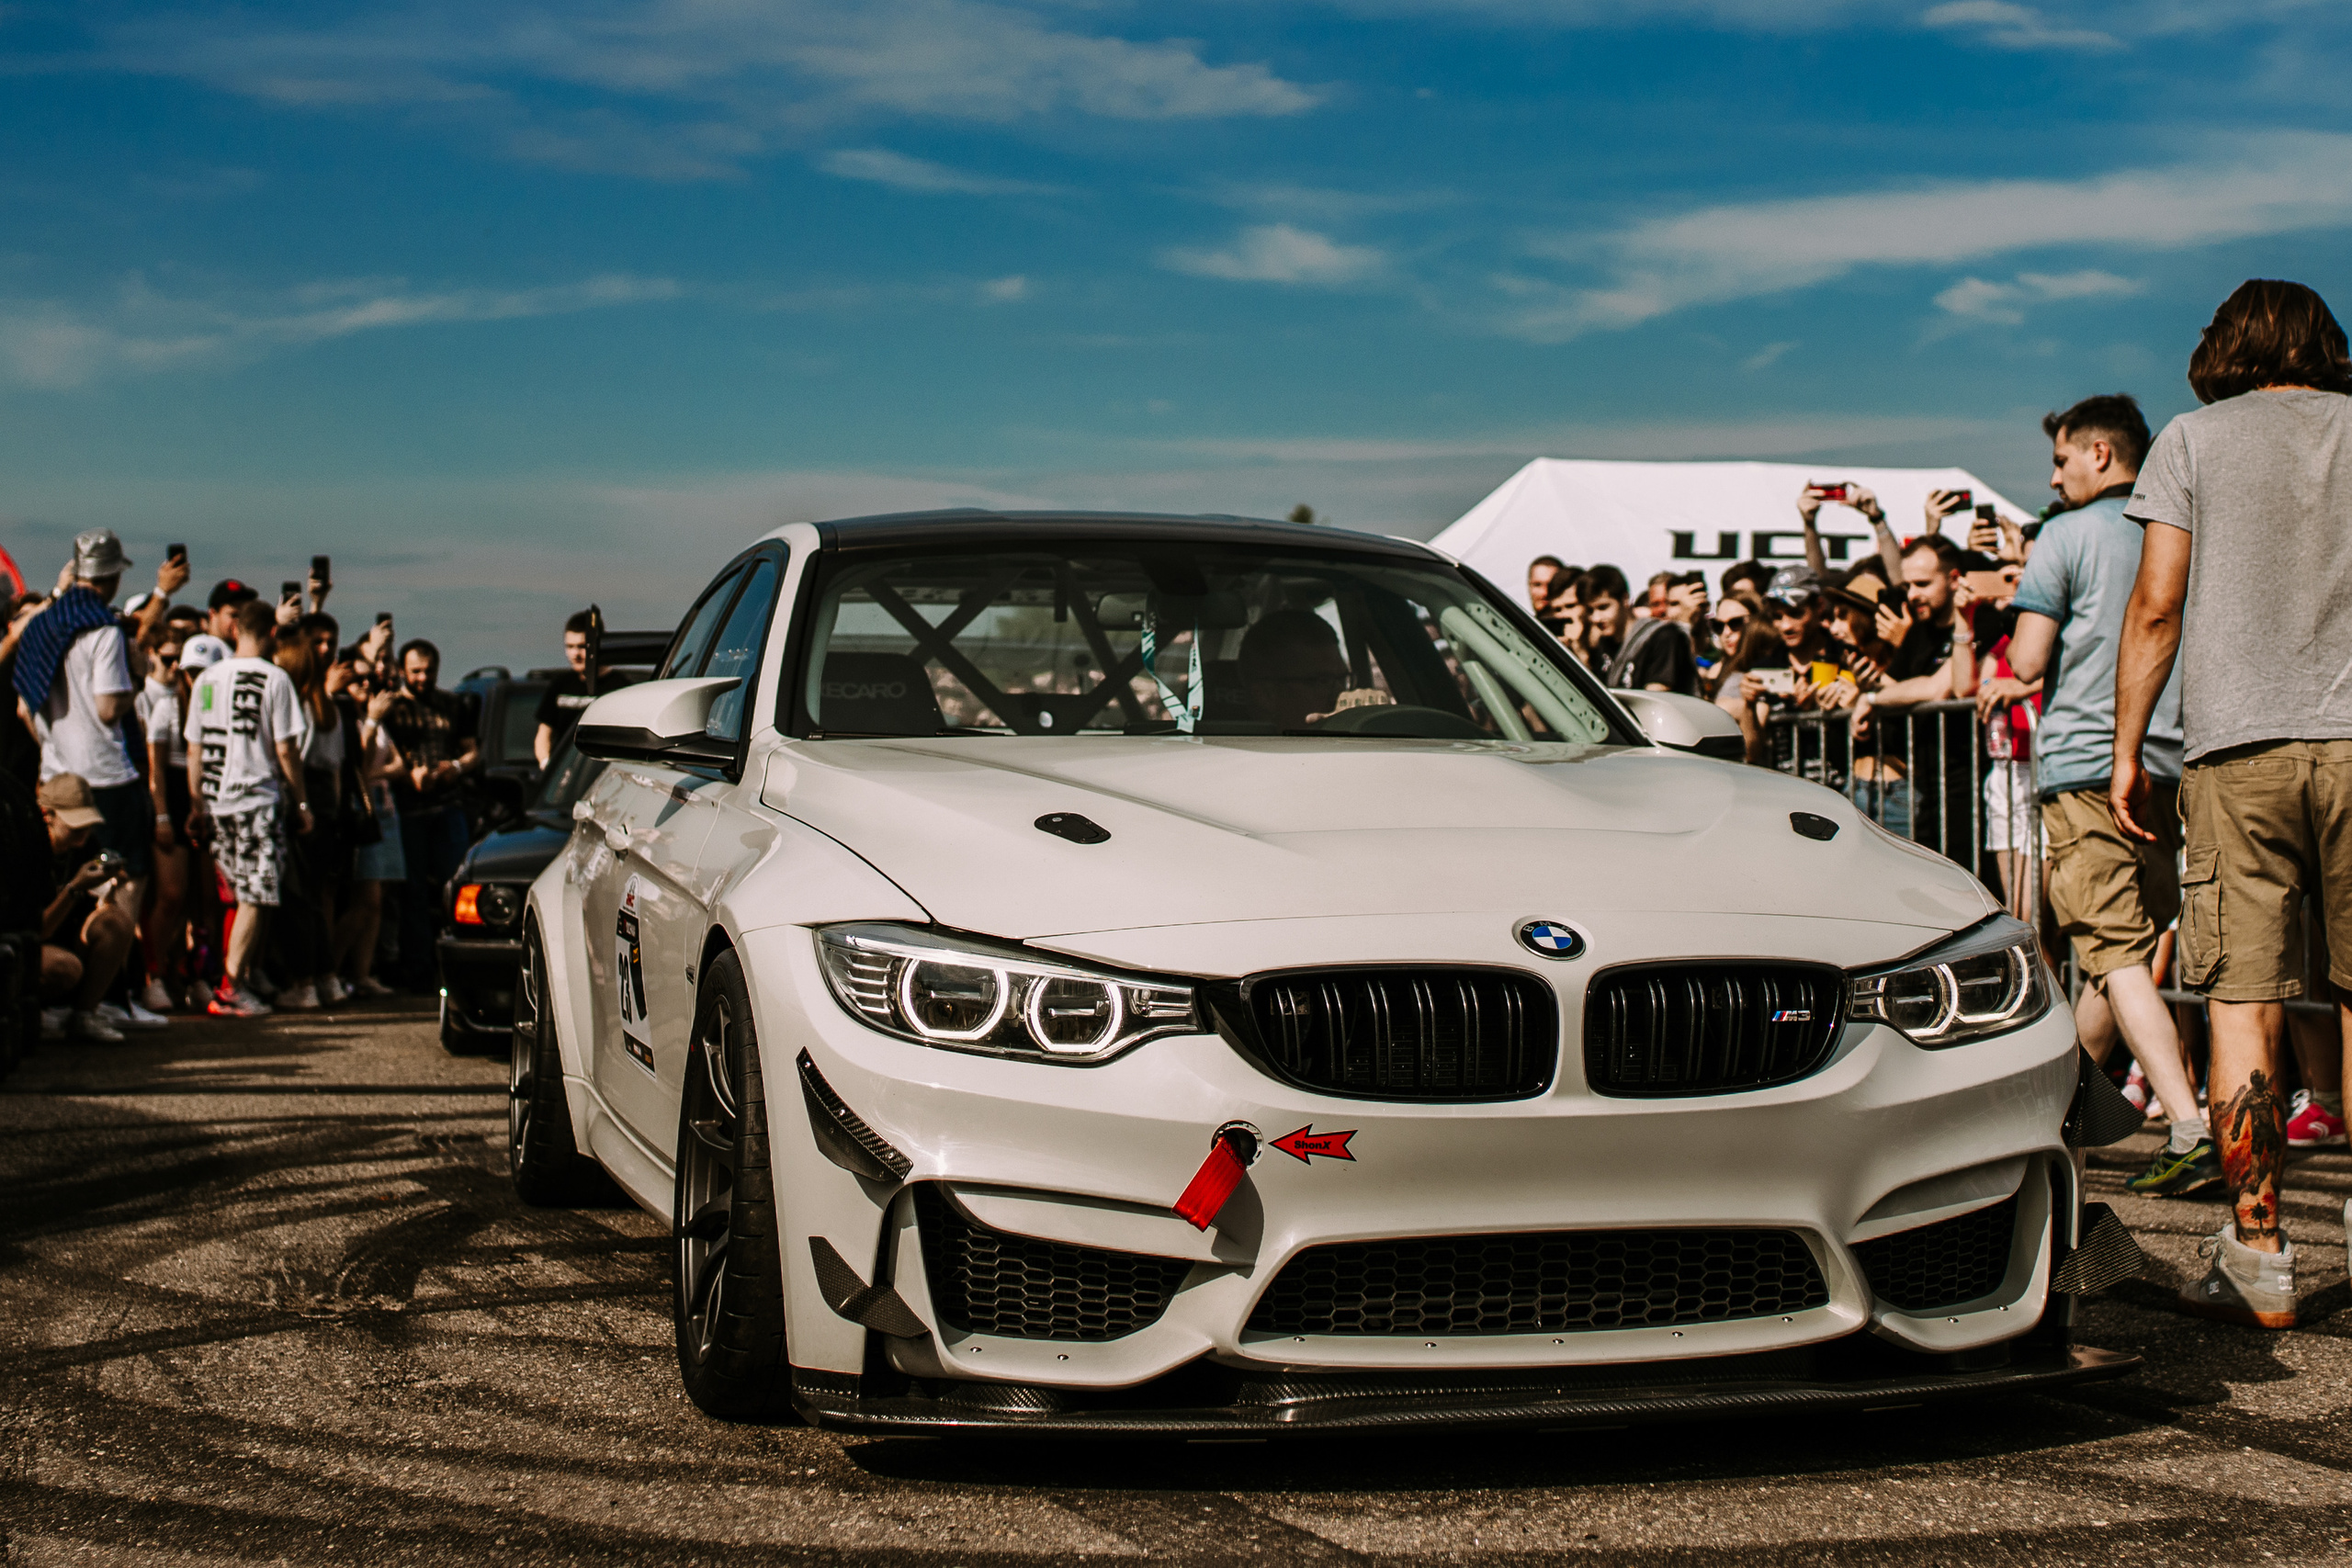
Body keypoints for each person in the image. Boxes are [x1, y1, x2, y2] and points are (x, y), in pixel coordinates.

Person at [2113, 278, 2352, 1328]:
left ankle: (2258, 1257)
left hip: (2237, 752)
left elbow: (2157, 604)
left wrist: (2127, 749)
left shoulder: (2193, 440)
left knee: (2241, 1002)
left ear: (2226, 346)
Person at [2001, 393, 2211, 1199]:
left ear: (2099, 454)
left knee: (2113, 951)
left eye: (2061, 460)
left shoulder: (2065, 536)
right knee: (2117, 952)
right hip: (2172, 757)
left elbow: (2025, 660)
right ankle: (2058, 1109)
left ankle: (2188, 1124)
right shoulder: (2178, 528)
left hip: (2087, 762)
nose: (2054, 478)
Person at [185, 599, 311, 1018]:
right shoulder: (275, 679)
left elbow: (194, 748)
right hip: (256, 798)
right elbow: (286, 748)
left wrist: (196, 802)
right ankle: (230, 985)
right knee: (256, 895)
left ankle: (237, 976)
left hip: (217, 799)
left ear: (236, 629)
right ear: (273, 633)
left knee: (236, 896)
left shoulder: (207, 679)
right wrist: (302, 801)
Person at [379, 638, 479, 990]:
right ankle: (419, 967)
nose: (423, 678)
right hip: (408, 810)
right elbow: (382, 755)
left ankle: (456, 963)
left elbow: (472, 752)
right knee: (413, 892)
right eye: (416, 671)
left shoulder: (452, 704)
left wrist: (455, 767)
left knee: (455, 886)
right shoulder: (392, 708)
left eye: (429, 671)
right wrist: (410, 775)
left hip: (448, 805)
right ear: (404, 671)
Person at [34, 773, 139, 1042]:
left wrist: (110, 887)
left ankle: (84, 1015)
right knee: (64, 966)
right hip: (33, 943)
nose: (83, 835)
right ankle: (33, 1012)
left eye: (88, 826)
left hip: (67, 937)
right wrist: (74, 888)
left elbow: (99, 910)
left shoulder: (85, 846)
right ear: (48, 815)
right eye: (75, 827)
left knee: (115, 922)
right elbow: (38, 930)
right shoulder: (28, 848)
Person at [135, 619, 194, 1011]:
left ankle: (172, 970)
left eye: (180, 661)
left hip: (183, 796)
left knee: (185, 899)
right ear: (151, 655)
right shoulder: (143, 697)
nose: (174, 667)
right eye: (167, 659)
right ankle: (149, 974)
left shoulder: (186, 694)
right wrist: (160, 816)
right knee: (167, 894)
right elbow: (151, 763)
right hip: (153, 797)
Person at [1581, 566, 1696, 695]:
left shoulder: (1663, 637)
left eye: (1603, 607)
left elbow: (1655, 699)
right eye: (1590, 611)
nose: (1596, 618)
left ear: (1625, 599)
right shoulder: (1605, 643)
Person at [535, 610, 611, 765]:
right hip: (562, 775)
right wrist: (546, 765)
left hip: (601, 774)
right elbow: (544, 734)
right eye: (569, 646)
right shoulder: (560, 685)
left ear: (598, 644)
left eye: (582, 646)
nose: (575, 654)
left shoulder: (618, 687)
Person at [182, 579, 258, 670]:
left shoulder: (243, 650)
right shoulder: (202, 644)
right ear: (213, 614)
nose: (239, 621)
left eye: (243, 615)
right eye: (234, 615)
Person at [1526, 557, 1573, 637]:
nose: (1545, 593)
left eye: (1551, 585)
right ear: (1529, 586)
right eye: (1537, 585)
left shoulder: (1578, 631)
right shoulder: (1523, 630)